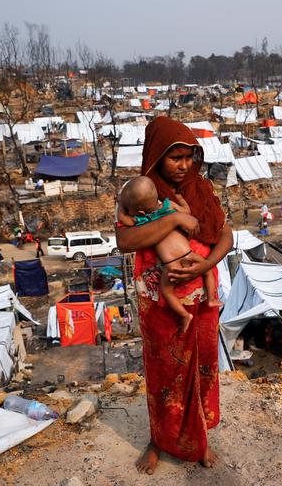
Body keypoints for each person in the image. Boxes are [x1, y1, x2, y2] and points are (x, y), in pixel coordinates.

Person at [115, 117, 231, 474]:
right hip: (160, 299)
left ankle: (200, 439)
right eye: (174, 158)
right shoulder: (138, 192)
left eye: (188, 156)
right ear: (155, 157)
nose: (183, 166)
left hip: (201, 292)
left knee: (204, 368)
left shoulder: (201, 188)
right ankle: (159, 440)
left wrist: (204, 265)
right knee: (165, 373)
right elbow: (125, 240)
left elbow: (225, 236)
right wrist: (175, 220)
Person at [118, 176, 222, 333]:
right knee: (207, 270)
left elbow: (123, 219)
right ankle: (212, 299)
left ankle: (184, 315)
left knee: (167, 291)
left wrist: (121, 205)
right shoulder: (168, 206)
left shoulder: (142, 221)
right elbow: (186, 212)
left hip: (171, 265)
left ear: (139, 211)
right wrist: (182, 201)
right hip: (190, 255)